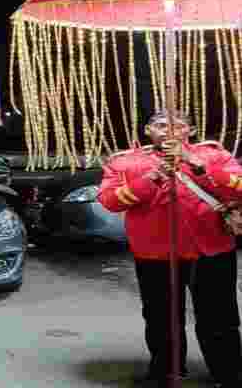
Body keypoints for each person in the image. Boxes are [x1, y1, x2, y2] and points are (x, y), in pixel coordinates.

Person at [98, 109, 242, 388]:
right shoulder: (124, 163)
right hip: (155, 253)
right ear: (147, 131)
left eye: (179, 125)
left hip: (211, 250)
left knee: (219, 318)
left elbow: (238, 187)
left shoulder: (213, 155)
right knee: (161, 318)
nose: (170, 130)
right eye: (161, 125)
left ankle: (229, 374)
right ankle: (166, 373)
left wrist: (196, 164)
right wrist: (152, 177)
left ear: (190, 131)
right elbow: (110, 201)